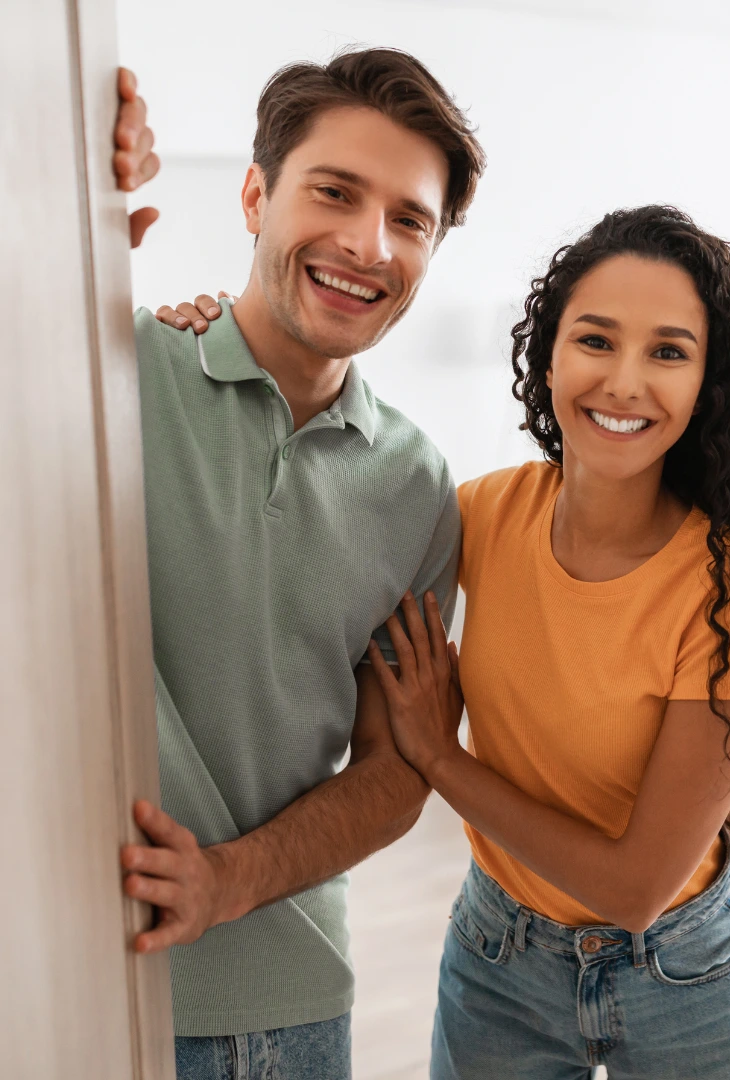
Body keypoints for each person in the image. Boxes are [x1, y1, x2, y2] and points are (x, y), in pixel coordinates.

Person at [177, 206, 730, 1078]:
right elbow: (315, 525)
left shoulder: (727, 592)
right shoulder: (478, 515)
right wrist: (207, 343)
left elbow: (634, 889)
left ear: (709, 384)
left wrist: (445, 760)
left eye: (668, 352)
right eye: (596, 340)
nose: (625, 381)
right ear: (547, 355)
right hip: (499, 958)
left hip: (682, 973)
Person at [110, 51, 485, 1079]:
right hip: (83, 978)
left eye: (410, 219)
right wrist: (64, 200)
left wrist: (224, 881)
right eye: (334, 192)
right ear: (253, 196)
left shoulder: (418, 486)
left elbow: (397, 771)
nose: (368, 245)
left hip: (294, 1010)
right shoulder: (115, 375)